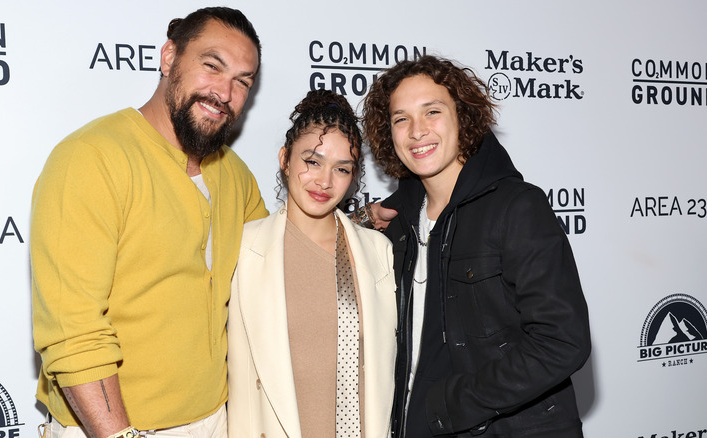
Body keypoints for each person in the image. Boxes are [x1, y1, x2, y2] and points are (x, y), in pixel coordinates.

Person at [31, 7, 267, 438]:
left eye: (242, 81)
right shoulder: (91, 158)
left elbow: (275, 261)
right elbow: (74, 331)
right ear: (169, 57)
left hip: (218, 419)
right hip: (113, 429)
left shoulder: (235, 173)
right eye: (212, 66)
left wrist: (358, 225)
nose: (224, 92)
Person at [362, 55, 591, 437]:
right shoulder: (399, 223)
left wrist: (452, 403)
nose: (416, 131)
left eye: (431, 111)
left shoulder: (516, 207)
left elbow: (562, 342)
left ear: (463, 118)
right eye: (401, 118)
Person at [227, 89, 398, 438]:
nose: (324, 181)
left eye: (342, 169)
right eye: (312, 161)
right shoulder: (243, 248)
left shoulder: (377, 251)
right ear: (285, 159)